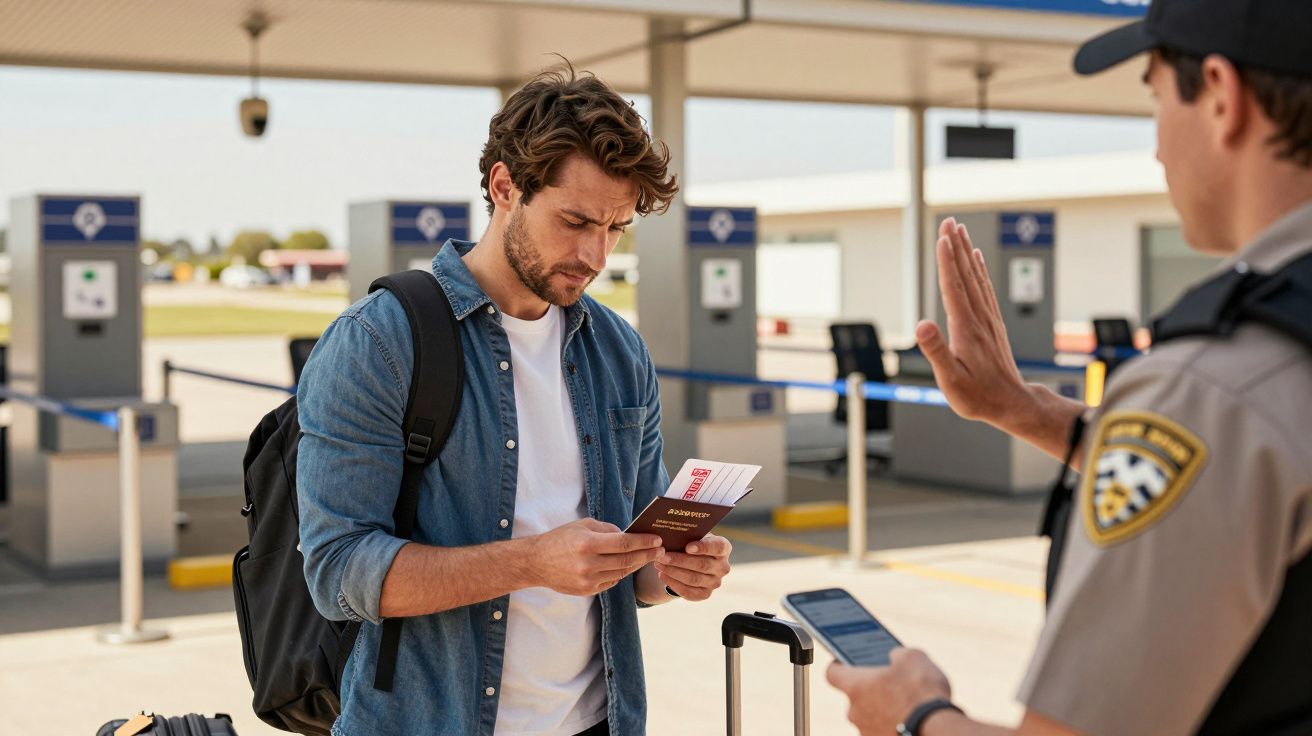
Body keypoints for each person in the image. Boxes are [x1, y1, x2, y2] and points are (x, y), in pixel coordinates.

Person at [826, 1, 1312, 734]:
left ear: (1221, 94)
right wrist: (1022, 408)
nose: (1157, 151)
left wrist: (915, 716)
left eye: (1154, 97)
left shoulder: (1208, 386)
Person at [296, 65, 733, 736]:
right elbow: (337, 572)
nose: (595, 255)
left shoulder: (619, 353)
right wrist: (531, 562)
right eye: (576, 220)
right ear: (505, 187)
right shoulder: (378, 343)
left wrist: (673, 572)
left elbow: (634, 571)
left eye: (615, 229)